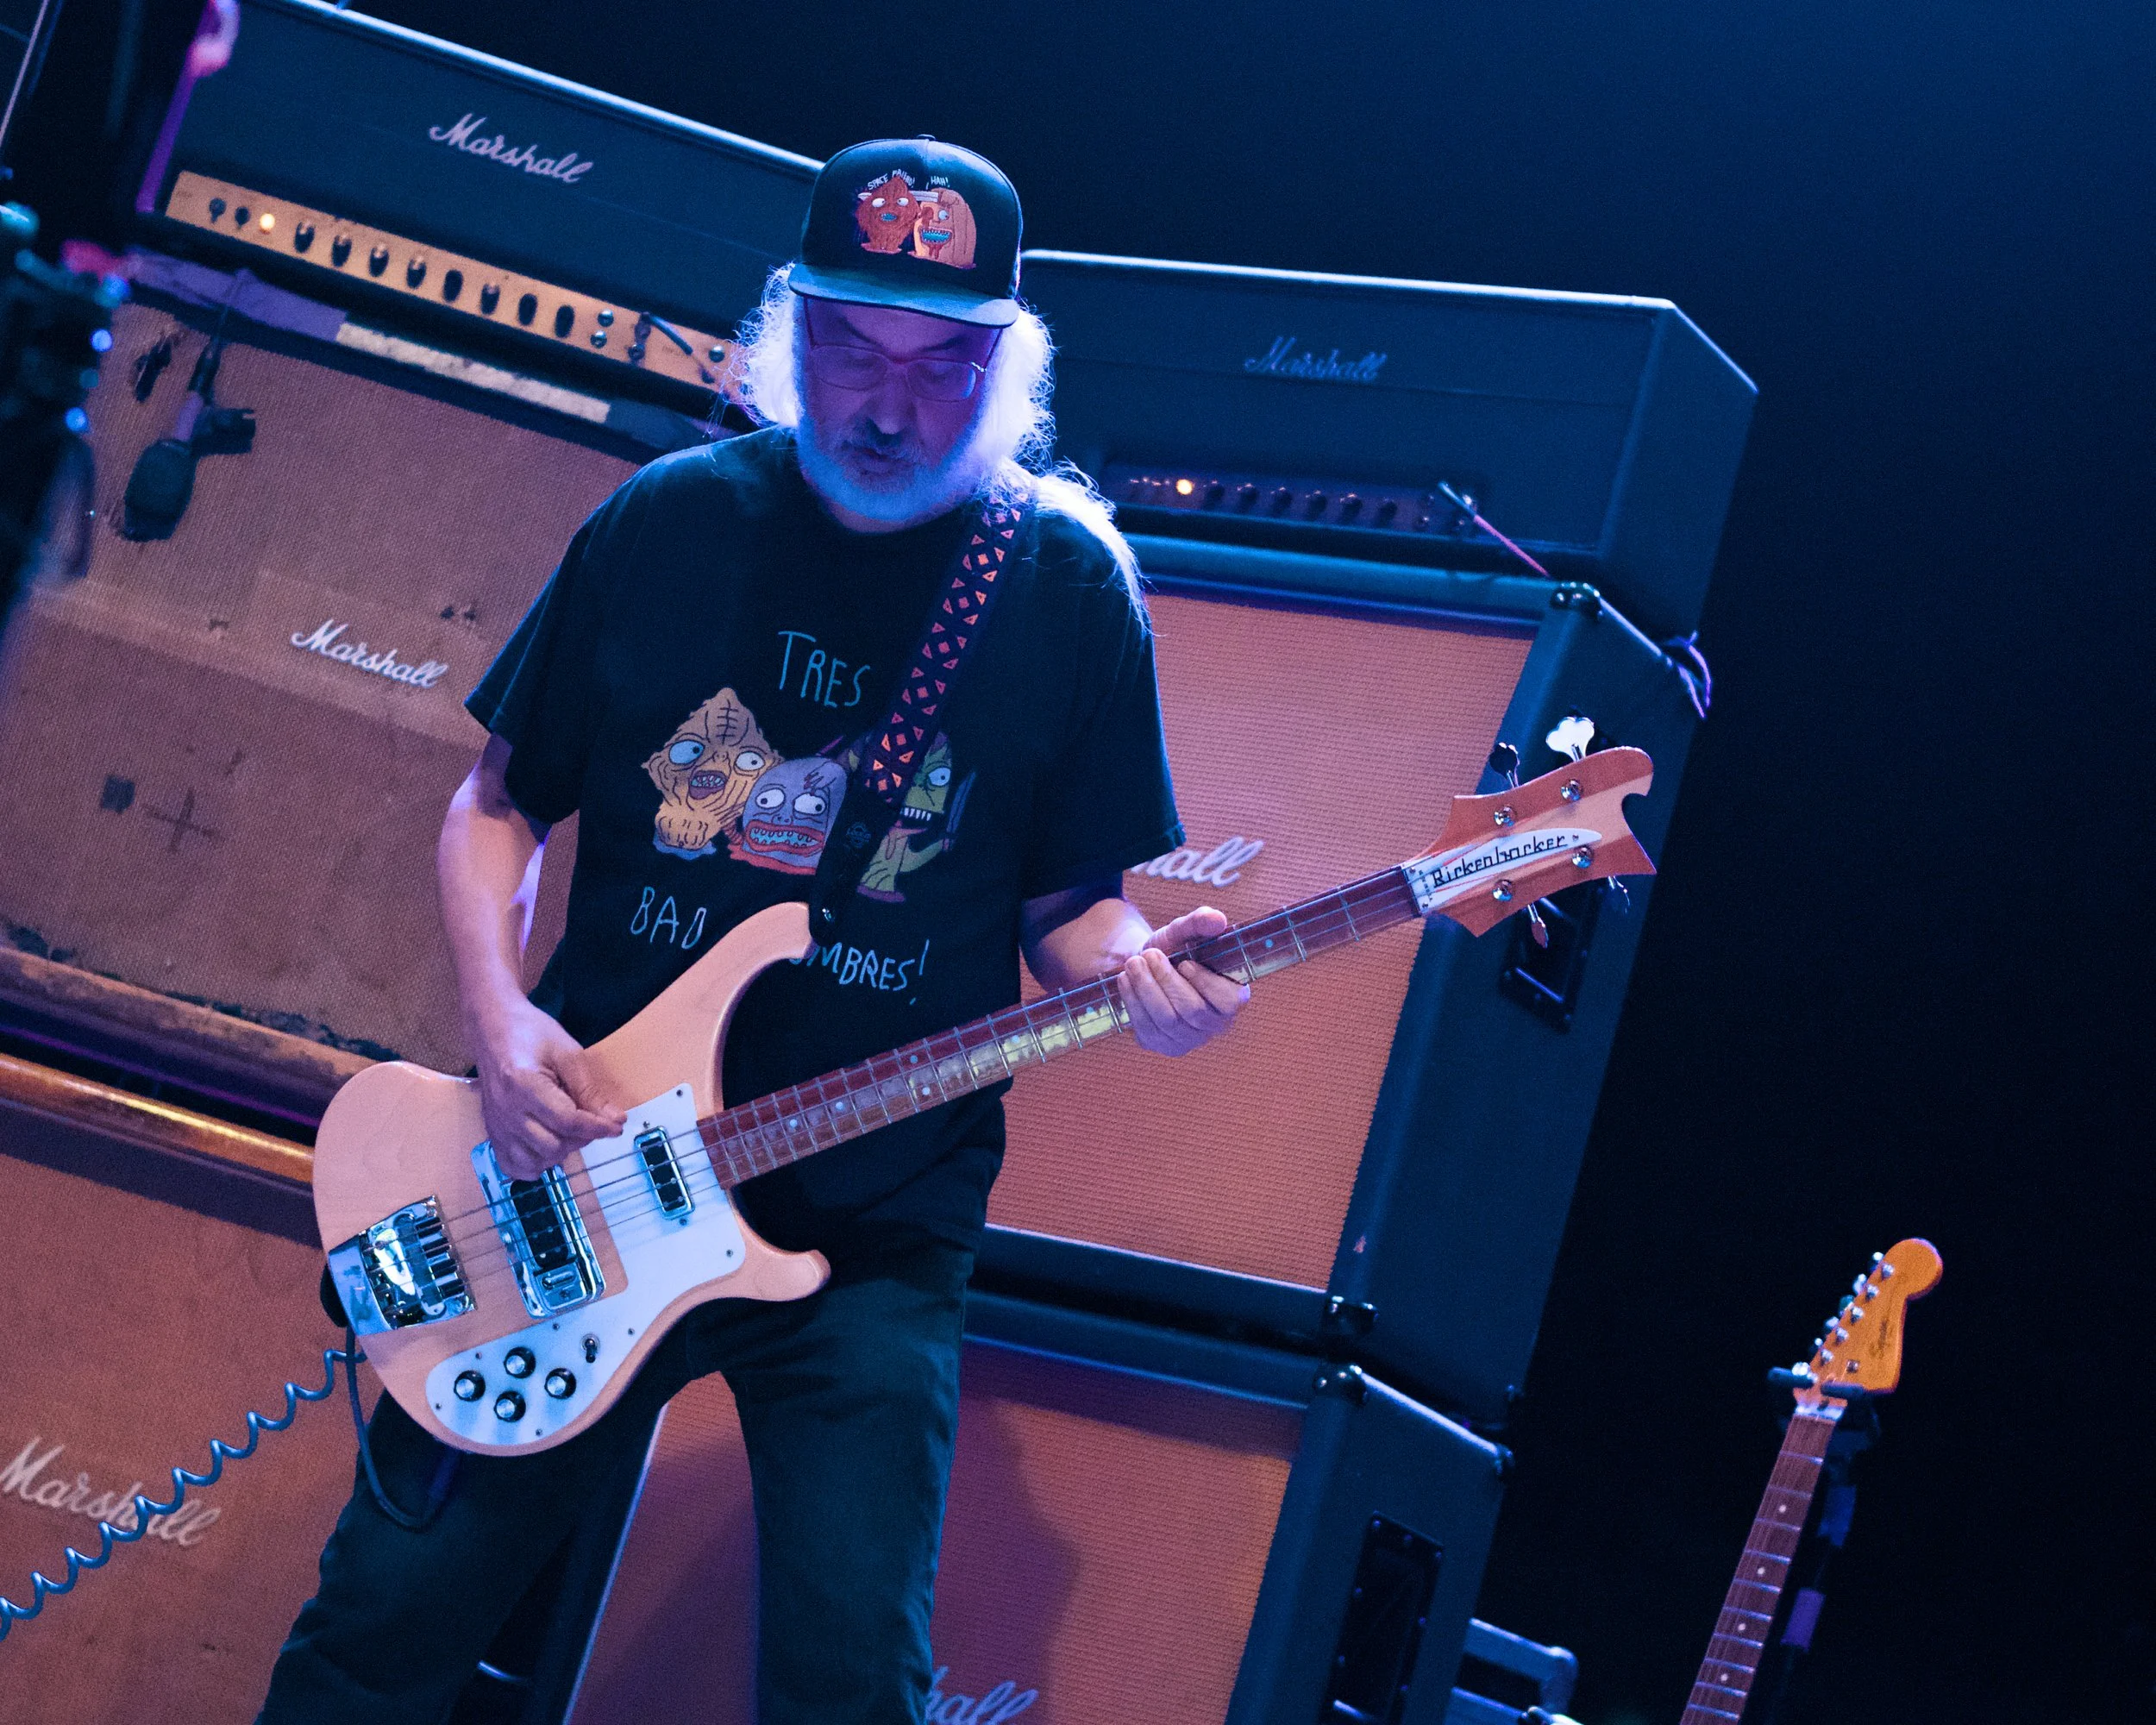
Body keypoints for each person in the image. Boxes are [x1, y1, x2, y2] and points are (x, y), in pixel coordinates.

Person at [258, 137, 1247, 1723]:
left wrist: (1138, 975)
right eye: (853, 350)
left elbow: (1072, 909)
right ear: (794, 332)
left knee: (852, 1685)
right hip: (590, 1168)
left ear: (1003, 369)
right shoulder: (669, 524)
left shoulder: (1064, 591)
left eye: (937, 367)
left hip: (872, 1219)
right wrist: (502, 1026)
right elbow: (498, 803)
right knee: (384, 1628)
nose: (886, 405)